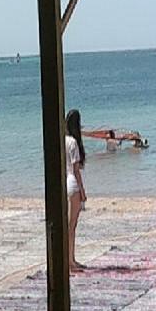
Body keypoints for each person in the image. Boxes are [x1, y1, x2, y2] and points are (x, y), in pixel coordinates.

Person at [66, 110, 87, 272]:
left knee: (68, 225)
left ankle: (70, 259)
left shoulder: (62, 140)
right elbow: (76, 170)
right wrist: (82, 190)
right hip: (73, 184)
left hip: (64, 183)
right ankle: (70, 260)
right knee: (72, 225)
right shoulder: (73, 142)